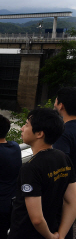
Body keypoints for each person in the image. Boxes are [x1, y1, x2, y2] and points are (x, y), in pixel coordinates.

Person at [8, 109, 76, 239]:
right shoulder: (63, 157)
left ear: (39, 133)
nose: (22, 128)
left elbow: (37, 219)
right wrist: (61, 235)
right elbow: (72, 201)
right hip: (55, 227)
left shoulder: (30, 168)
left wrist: (50, 237)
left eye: (27, 124)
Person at [53, 87, 76, 239]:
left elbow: (61, 165)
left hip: (69, 192)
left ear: (61, 105)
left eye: (56, 100)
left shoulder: (63, 133)